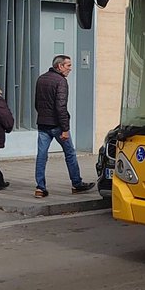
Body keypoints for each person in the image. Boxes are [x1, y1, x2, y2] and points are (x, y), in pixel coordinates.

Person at [34, 55, 93, 198]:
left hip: (43, 124)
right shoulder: (61, 81)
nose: (70, 69)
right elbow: (61, 107)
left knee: (41, 156)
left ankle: (40, 188)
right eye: (68, 66)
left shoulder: (41, 78)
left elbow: (37, 103)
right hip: (57, 126)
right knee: (70, 154)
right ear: (60, 66)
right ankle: (77, 184)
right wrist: (65, 129)